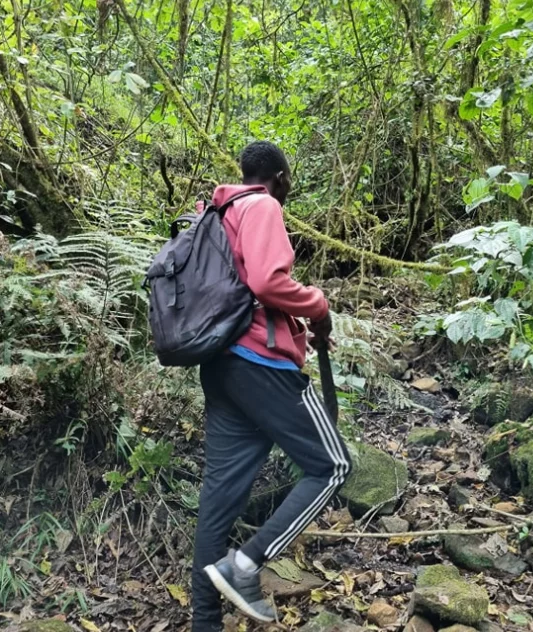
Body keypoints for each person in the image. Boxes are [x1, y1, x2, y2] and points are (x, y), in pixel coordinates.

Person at [191, 141, 350, 629]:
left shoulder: (215, 213)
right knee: (332, 466)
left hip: (221, 366)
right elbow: (265, 281)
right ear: (278, 177)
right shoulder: (260, 205)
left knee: (219, 499)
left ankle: (205, 621)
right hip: (260, 363)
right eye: (290, 182)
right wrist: (318, 306)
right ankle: (245, 565)